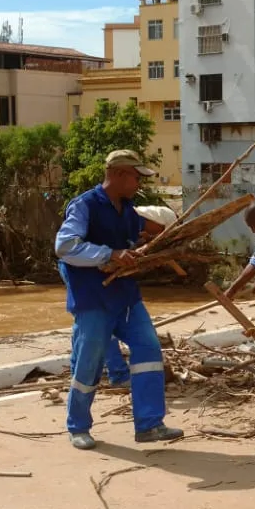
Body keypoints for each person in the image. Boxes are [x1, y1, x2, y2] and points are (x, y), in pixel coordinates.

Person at [54, 150, 183, 450]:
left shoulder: (128, 209)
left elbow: (136, 236)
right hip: (93, 297)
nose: (139, 183)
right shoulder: (85, 205)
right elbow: (65, 246)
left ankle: (150, 425)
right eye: (136, 177)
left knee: (149, 349)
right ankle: (78, 427)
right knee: (90, 362)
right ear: (120, 174)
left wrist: (148, 248)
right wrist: (109, 254)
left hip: (125, 295)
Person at [100, 205, 178, 386]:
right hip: (96, 281)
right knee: (103, 327)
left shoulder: (136, 227)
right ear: (155, 222)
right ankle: (118, 374)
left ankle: (134, 375)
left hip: (119, 284)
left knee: (110, 327)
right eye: (161, 231)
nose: (159, 236)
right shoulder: (120, 221)